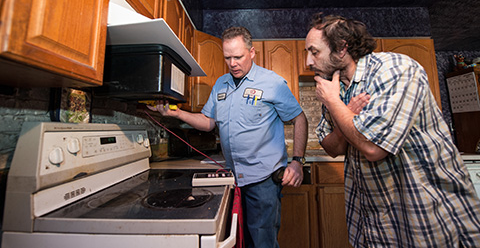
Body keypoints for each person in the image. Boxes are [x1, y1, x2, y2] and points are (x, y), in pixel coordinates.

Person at [306, 13, 480, 247]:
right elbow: (332, 147)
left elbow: (374, 147)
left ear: (341, 48)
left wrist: (334, 104)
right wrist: (342, 109)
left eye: (314, 51)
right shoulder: (334, 87)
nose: (308, 61)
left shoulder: (394, 70)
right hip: (375, 221)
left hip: (426, 214)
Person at [148, 26, 308, 248]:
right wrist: (176, 113)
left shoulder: (272, 83)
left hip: (263, 181)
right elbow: (208, 122)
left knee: (262, 243)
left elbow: (300, 118)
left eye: (238, 57)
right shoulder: (221, 84)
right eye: (227, 58)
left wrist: (298, 161)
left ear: (252, 53)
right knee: (240, 241)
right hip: (232, 180)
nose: (233, 63)